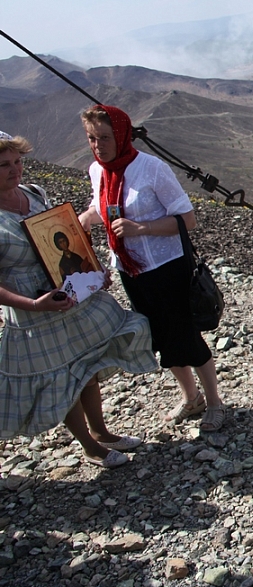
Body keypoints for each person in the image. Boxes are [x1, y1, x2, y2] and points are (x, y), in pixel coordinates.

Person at [0, 131, 158, 468]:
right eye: (4, 165)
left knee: (85, 366)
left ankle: (102, 432)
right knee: (63, 377)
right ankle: (90, 445)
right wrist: (33, 304)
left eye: (18, 162)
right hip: (36, 310)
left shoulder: (34, 194)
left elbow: (68, 239)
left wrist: (92, 271)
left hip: (69, 295)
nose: (15, 170)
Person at [78, 105, 226, 432]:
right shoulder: (97, 171)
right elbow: (99, 205)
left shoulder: (151, 168)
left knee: (185, 335)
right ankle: (191, 398)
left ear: (121, 135)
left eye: (104, 137)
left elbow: (187, 219)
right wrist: (86, 219)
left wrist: (141, 228)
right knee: (160, 337)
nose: (98, 145)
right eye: (91, 138)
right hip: (131, 271)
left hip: (167, 266)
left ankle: (214, 401)